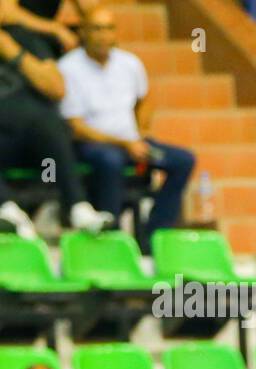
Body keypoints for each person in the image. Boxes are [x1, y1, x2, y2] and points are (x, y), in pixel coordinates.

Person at [58, 3, 194, 252]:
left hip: (133, 143)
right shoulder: (68, 68)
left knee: (182, 160)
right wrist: (124, 144)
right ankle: (111, 241)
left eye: (109, 28)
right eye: (96, 29)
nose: (103, 35)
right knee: (110, 161)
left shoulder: (129, 63)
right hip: (93, 146)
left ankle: (154, 238)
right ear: (83, 33)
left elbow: (145, 99)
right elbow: (75, 126)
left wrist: (141, 133)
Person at [0, 2, 112, 235]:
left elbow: (57, 88)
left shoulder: (23, 38)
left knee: (50, 120)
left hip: (36, 145)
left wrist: (12, 52)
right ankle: (6, 210)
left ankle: (79, 209)